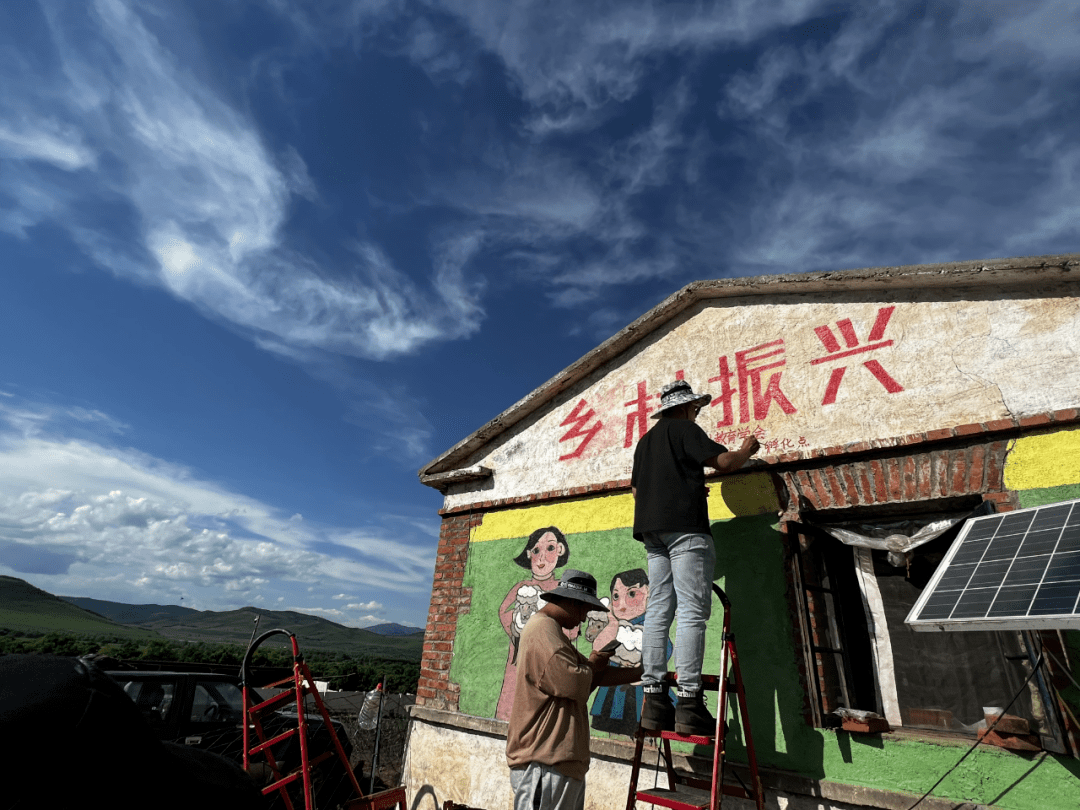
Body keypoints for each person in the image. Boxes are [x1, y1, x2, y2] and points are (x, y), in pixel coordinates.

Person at [631, 379, 760, 736]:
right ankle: (689, 700)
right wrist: (747, 449)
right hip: (685, 530)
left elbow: (638, 491)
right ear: (687, 407)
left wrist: (683, 488)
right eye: (695, 407)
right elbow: (725, 462)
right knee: (692, 611)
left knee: (658, 611)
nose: (696, 411)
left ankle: (654, 700)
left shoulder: (645, 442)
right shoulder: (686, 429)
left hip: (652, 531)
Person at [505, 569, 643, 810]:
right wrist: (593, 664)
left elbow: (591, 675)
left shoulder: (553, 633)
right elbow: (577, 682)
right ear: (569, 601)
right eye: (583, 610)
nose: (582, 619)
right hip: (544, 766)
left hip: (556, 766)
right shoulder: (542, 631)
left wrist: (643, 672)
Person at [496, 526, 572, 721]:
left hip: (549, 660)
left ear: (560, 551)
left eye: (550, 548)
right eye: (536, 550)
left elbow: (571, 628)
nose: (542, 557)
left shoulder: (561, 588)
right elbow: (503, 611)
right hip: (520, 658)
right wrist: (519, 627)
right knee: (514, 703)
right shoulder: (521, 586)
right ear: (529, 554)